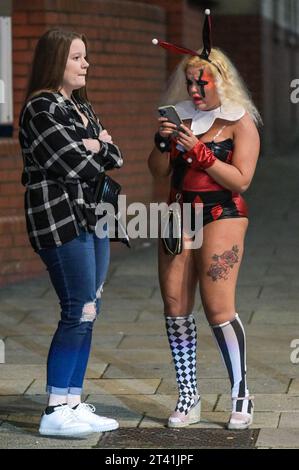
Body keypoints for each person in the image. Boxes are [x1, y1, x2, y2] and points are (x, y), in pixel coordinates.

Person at [148, 10, 261, 429]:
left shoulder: (239, 120)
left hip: (221, 212)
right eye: (190, 82)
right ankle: (189, 394)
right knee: (175, 307)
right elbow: (157, 173)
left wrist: (200, 152)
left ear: (221, 82)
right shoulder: (176, 115)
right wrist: (164, 144)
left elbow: (243, 180)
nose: (194, 90)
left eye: (203, 83)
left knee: (217, 308)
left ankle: (241, 394)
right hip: (178, 211)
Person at [19, 29, 123, 437]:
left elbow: (114, 155)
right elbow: (72, 164)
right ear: (56, 61)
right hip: (59, 218)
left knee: (90, 309)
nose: (86, 65)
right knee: (77, 309)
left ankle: (73, 402)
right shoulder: (40, 108)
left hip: (93, 216)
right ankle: (53, 411)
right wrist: (95, 146)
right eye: (77, 58)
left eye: (86, 57)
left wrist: (95, 144)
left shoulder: (81, 107)